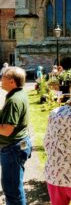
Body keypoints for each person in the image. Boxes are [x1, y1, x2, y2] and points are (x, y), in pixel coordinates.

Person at [0, 66, 32, 204]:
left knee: (12, 190)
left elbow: (7, 130)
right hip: (18, 145)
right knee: (14, 187)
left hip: (13, 148)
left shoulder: (14, 100)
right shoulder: (19, 94)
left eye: (3, 77)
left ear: (12, 81)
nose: (1, 80)